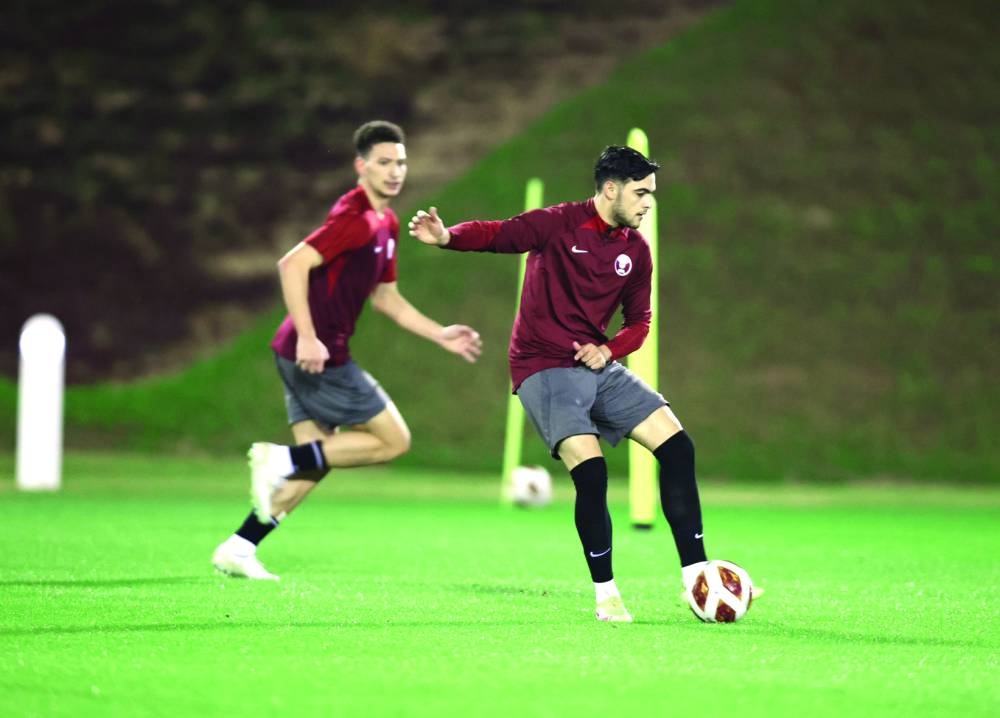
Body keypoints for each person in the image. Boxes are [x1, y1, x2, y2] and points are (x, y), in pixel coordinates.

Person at [408, 146, 710, 623]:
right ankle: (606, 594)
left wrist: (609, 350)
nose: (649, 202)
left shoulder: (636, 251)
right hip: (542, 366)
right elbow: (498, 234)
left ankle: (698, 577)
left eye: (652, 193)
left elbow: (640, 321)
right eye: (641, 192)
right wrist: (447, 237)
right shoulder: (558, 224)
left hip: (597, 366)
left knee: (678, 446)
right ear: (610, 189)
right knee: (591, 473)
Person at [212, 120, 482, 580]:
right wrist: (311, 335)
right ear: (361, 166)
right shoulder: (354, 219)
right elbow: (292, 264)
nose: (395, 171)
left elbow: (385, 297)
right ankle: (279, 460)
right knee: (394, 441)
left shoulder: (388, 221)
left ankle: (239, 548)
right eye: (384, 162)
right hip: (319, 356)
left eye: (400, 162)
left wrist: (440, 333)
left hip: (301, 352)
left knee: (318, 462)